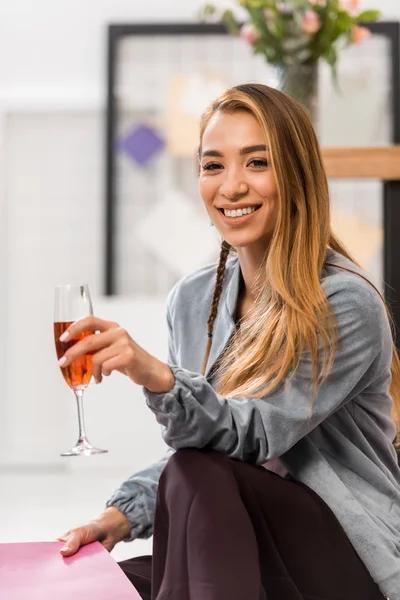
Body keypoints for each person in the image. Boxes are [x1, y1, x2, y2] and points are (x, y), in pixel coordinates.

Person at [57, 83, 400, 600]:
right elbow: (199, 456)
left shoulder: (345, 303)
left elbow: (251, 437)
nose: (231, 187)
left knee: (197, 466)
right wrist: (118, 517)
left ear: (296, 175)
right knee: (102, 588)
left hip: (345, 561)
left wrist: (158, 377)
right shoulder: (192, 299)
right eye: (213, 165)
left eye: (257, 163)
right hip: (243, 548)